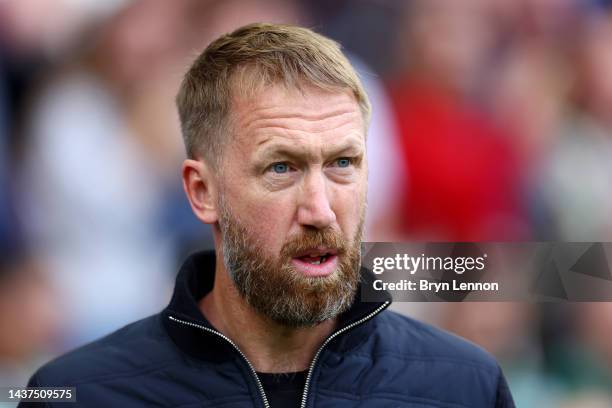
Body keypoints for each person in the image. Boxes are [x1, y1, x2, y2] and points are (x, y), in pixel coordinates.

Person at [22, 23, 515, 407]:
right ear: (202, 191)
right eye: (281, 167)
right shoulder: (79, 394)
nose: (320, 211)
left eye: (343, 164)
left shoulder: (466, 386)